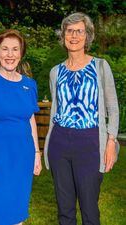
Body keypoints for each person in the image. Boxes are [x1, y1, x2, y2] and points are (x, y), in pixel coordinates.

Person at [43, 12, 120, 225]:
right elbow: (56, 109)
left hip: (90, 142)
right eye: (69, 31)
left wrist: (111, 141)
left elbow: (113, 107)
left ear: (87, 36)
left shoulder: (101, 67)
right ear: (63, 36)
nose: (74, 35)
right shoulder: (55, 72)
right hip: (60, 141)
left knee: (89, 209)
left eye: (79, 31)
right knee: (65, 210)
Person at [0, 29, 42, 225]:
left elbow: (31, 120)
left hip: (22, 156)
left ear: (21, 53)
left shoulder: (30, 84)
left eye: (15, 49)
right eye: (5, 49)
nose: (10, 55)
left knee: (17, 213)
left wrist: (36, 152)